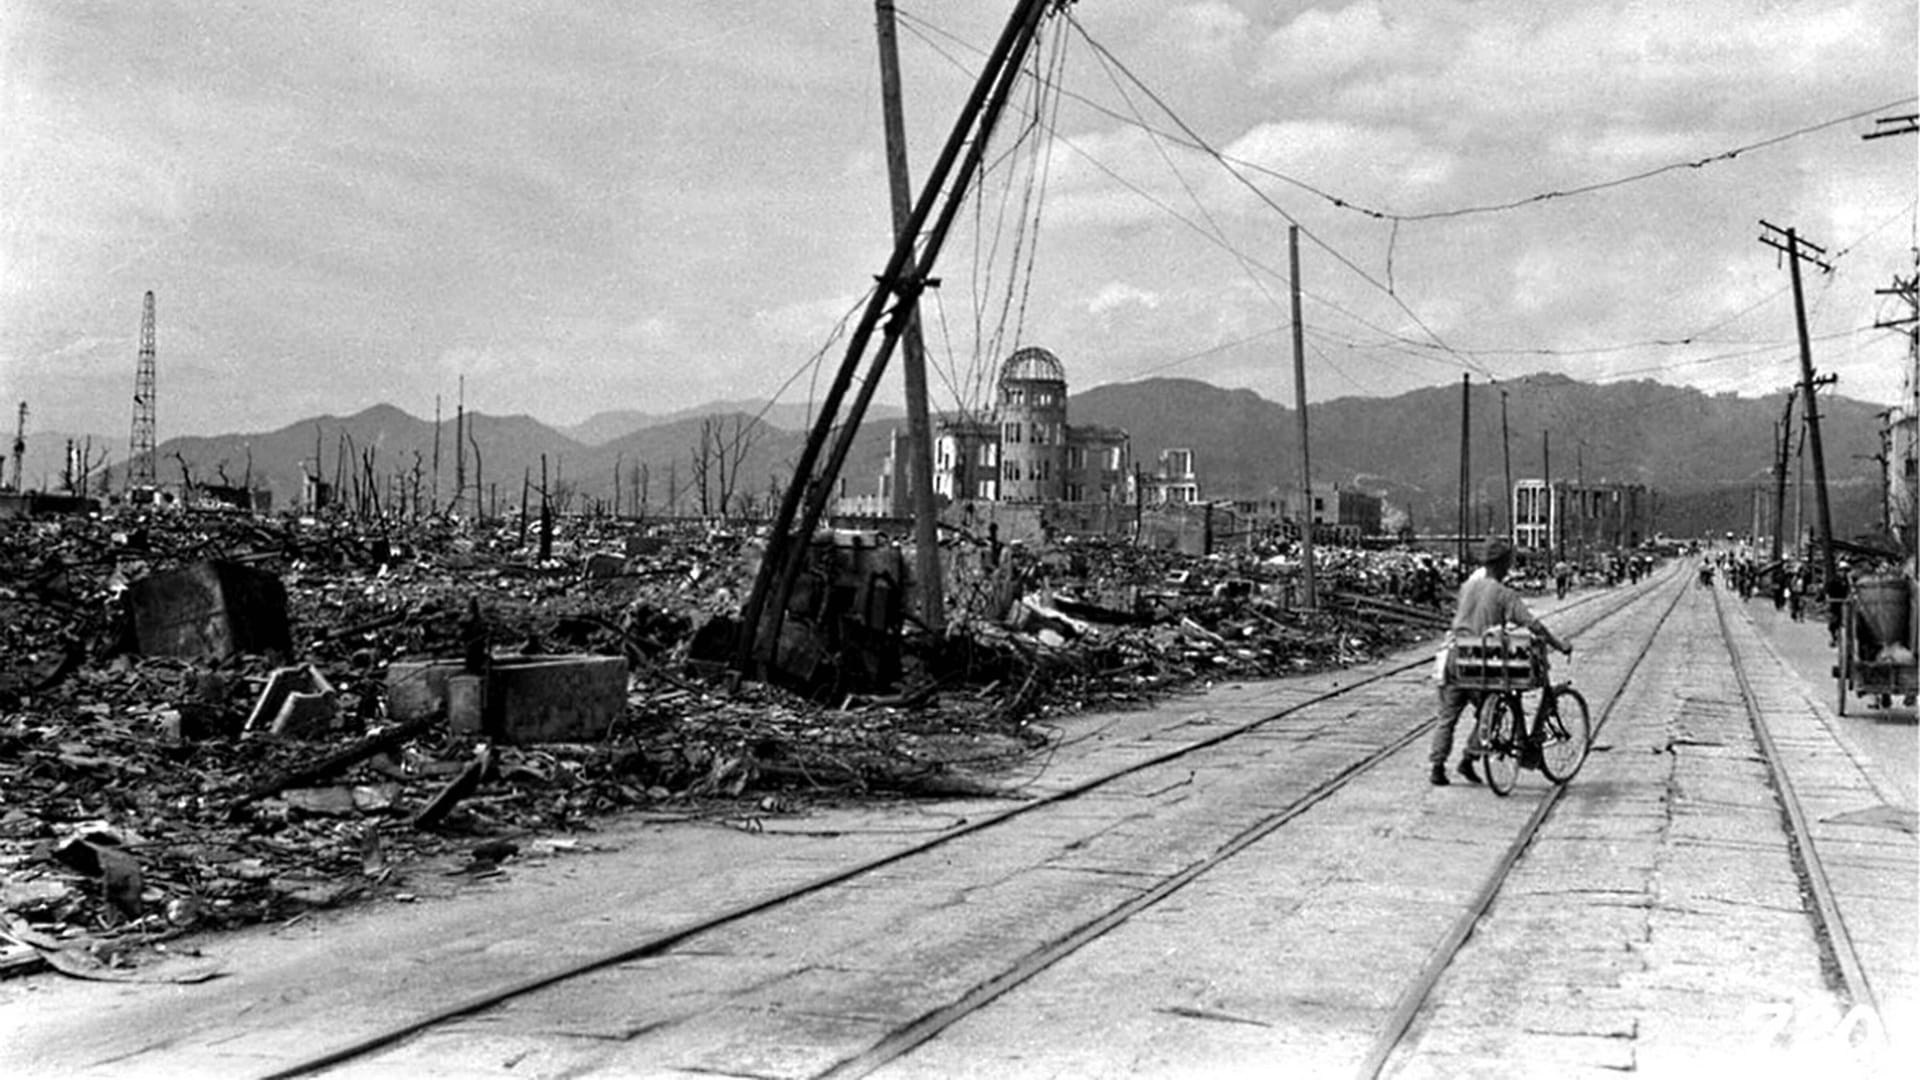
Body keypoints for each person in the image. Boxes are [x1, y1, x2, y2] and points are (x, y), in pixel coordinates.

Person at [1430, 538, 1573, 786]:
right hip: (1480, 660)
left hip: (1454, 655)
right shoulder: (1505, 594)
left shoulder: (1467, 588)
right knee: (1491, 712)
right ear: (1504, 564)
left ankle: (1437, 767)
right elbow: (1533, 625)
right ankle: (1469, 757)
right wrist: (1558, 644)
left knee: (1447, 716)